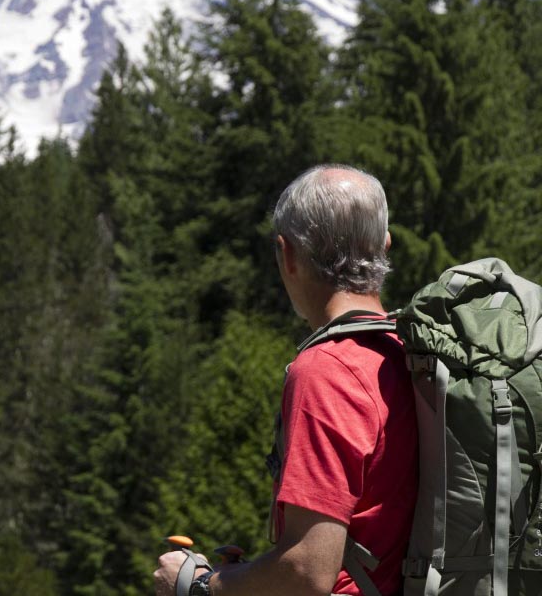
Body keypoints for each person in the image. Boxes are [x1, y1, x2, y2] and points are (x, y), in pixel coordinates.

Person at [153, 164, 418, 596]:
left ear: (287, 254)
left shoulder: (326, 371)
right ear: (385, 246)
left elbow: (307, 571)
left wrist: (197, 583)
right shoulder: (410, 353)